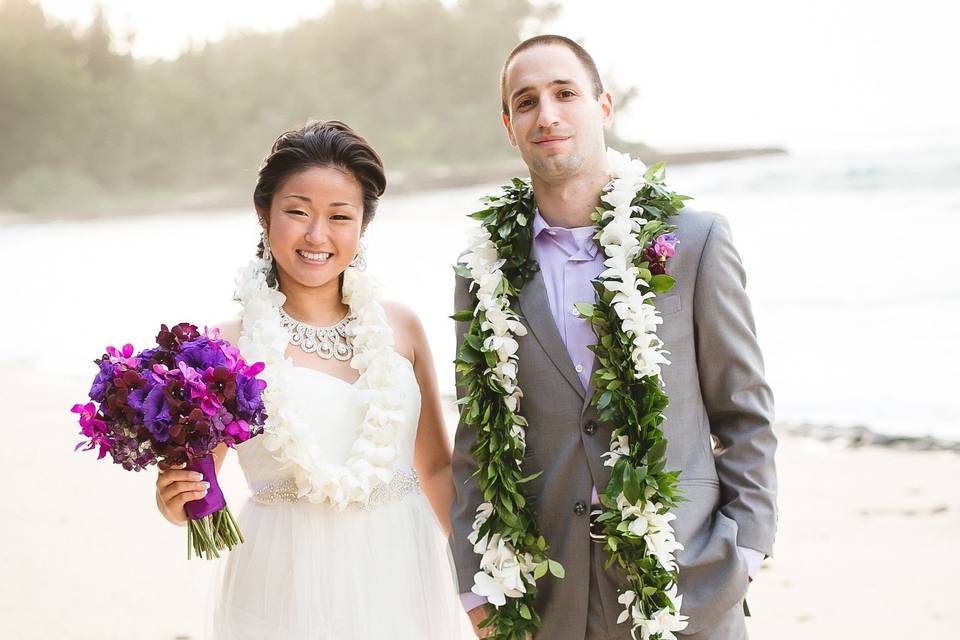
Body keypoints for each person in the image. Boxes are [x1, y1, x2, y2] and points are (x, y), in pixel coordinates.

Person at [451, 36, 777, 639]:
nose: (546, 114)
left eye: (564, 93)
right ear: (509, 126)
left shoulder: (694, 241)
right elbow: (477, 438)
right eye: (526, 102)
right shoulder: (484, 271)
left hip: (686, 591)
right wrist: (477, 589)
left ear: (602, 108)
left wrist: (746, 553)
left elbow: (744, 414)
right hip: (546, 602)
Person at [156, 120, 473, 639]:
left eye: (339, 216)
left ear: (363, 225)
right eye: (298, 212)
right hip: (282, 583)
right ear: (264, 214)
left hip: (399, 575)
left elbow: (437, 469)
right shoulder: (221, 347)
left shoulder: (403, 327)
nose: (317, 236)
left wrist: (479, 591)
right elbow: (199, 495)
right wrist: (173, 500)